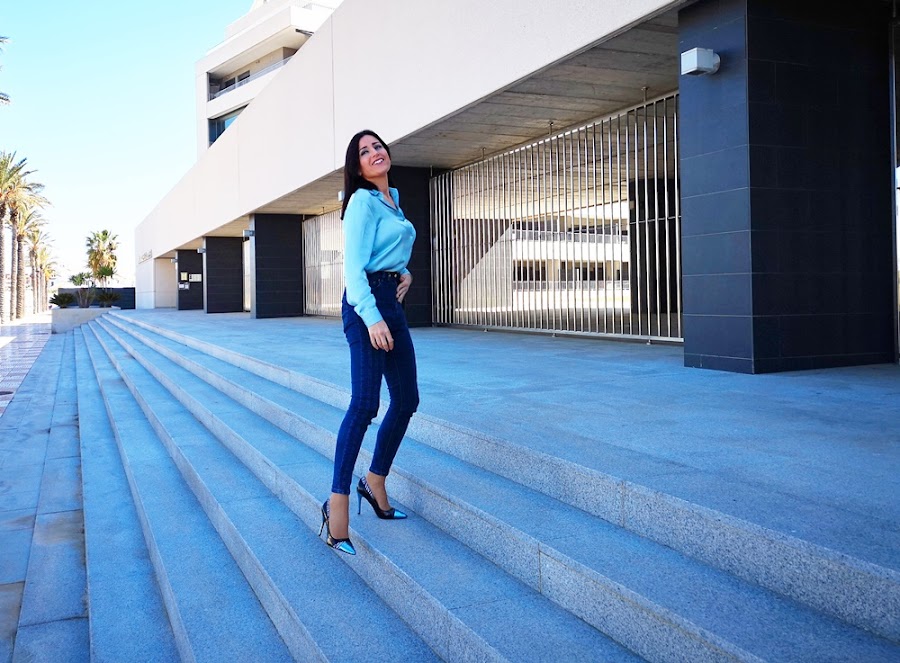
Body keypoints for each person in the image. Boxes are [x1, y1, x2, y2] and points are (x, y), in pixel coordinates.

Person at [319, 130, 419, 555]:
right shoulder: (361, 201)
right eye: (364, 151)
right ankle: (337, 505)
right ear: (357, 167)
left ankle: (375, 480)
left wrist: (405, 272)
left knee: (407, 399)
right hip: (366, 307)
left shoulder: (392, 199)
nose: (374, 153)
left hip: (389, 300)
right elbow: (354, 268)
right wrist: (372, 317)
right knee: (364, 404)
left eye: (377, 146)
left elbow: (389, 250)